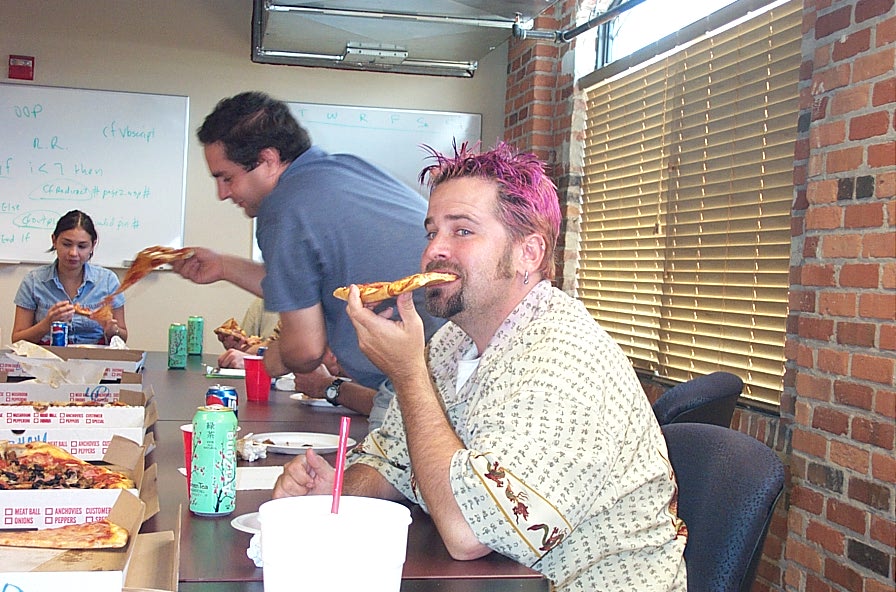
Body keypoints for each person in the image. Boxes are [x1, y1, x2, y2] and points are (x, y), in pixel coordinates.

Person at [273, 143, 687, 591]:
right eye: (431, 232)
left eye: (463, 231)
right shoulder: (452, 341)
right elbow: (390, 459)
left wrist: (409, 374)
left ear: (529, 253)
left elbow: (469, 534)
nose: (435, 250)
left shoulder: (565, 359)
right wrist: (337, 490)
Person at [171, 91, 443, 429]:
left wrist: (264, 362)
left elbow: (305, 351)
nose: (222, 194)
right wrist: (224, 266)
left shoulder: (283, 208)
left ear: (268, 160)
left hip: (423, 379)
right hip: (447, 364)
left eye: (227, 178)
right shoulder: (340, 169)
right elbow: (306, 284)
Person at [12, 210, 127, 345]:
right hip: (47, 354)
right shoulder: (34, 280)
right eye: (66, 244)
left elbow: (123, 336)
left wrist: (112, 330)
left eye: (82, 246)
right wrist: (47, 323)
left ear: (92, 245)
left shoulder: (107, 281)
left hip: (94, 354)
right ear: (54, 241)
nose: (73, 253)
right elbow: (17, 339)